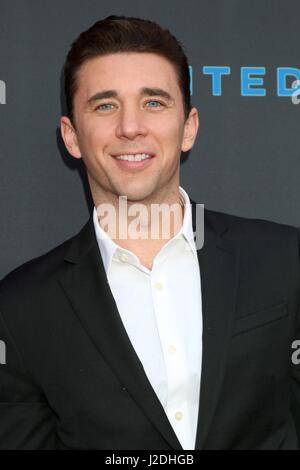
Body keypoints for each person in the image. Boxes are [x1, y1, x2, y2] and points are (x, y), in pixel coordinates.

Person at [0, 15, 299, 451]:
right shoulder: (19, 309)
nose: (130, 127)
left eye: (154, 103)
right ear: (72, 137)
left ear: (189, 127)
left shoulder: (285, 260)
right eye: (105, 105)